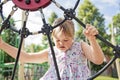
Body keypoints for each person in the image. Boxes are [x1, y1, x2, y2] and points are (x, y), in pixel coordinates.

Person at [0, 18, 104, 80]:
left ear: (72, 37)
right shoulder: (52, 51)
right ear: (52, 38)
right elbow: (26, 57)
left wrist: (92, 40)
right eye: (57, 40)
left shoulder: (80, 46)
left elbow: (98, 60)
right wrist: (2, 44)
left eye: (66, 40)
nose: (61, 43)